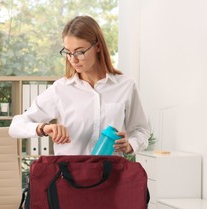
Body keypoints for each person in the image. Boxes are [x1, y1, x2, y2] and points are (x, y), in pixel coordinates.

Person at [9, 15, 150, 156]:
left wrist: (130, 144)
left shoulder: (126, 86)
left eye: (79, 52)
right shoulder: (60, 89)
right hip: (71, 175)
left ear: (98, 47)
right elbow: (15, 126)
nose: (73, 59)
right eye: (68, 53)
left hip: (111, 174)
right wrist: (43, 128)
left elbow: (141, 130)